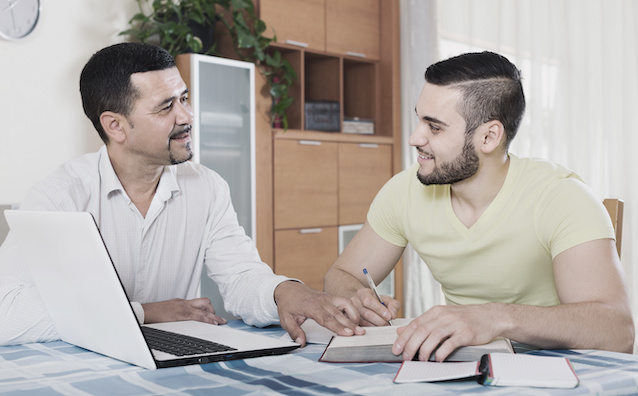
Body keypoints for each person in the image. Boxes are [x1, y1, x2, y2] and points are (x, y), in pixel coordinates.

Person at [0, 42, 364, 347]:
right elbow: (6, 312)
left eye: (185, 98)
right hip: (83, 364)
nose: (187, 116)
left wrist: (283, 292)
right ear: (115, 126)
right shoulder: (60, 196)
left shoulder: (207, 187)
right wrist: (145, 311)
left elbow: (240, 277)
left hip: (175, 363)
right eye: (166, 107)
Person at [324, 51, 634, 361]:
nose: (414, 138)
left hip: (550, 367)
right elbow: (342, 274)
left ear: (489, 136)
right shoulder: (405, 191)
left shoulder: (561, 197)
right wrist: (357, 297)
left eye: (434, 127)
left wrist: (494, 317)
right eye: (419, 119)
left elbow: (617, 332)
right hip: (457, 365)